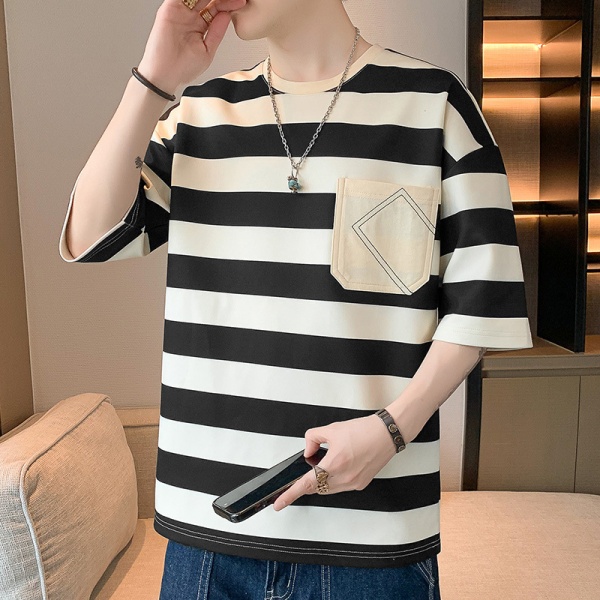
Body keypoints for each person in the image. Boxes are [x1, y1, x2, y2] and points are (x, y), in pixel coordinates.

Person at [58, 0, 533, 598]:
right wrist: (153, 79)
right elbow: (91, 238)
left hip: (374, 533)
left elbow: (484, 302)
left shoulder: (436, 103)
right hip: (207, 536)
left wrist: (392, 429)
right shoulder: (198, 113)